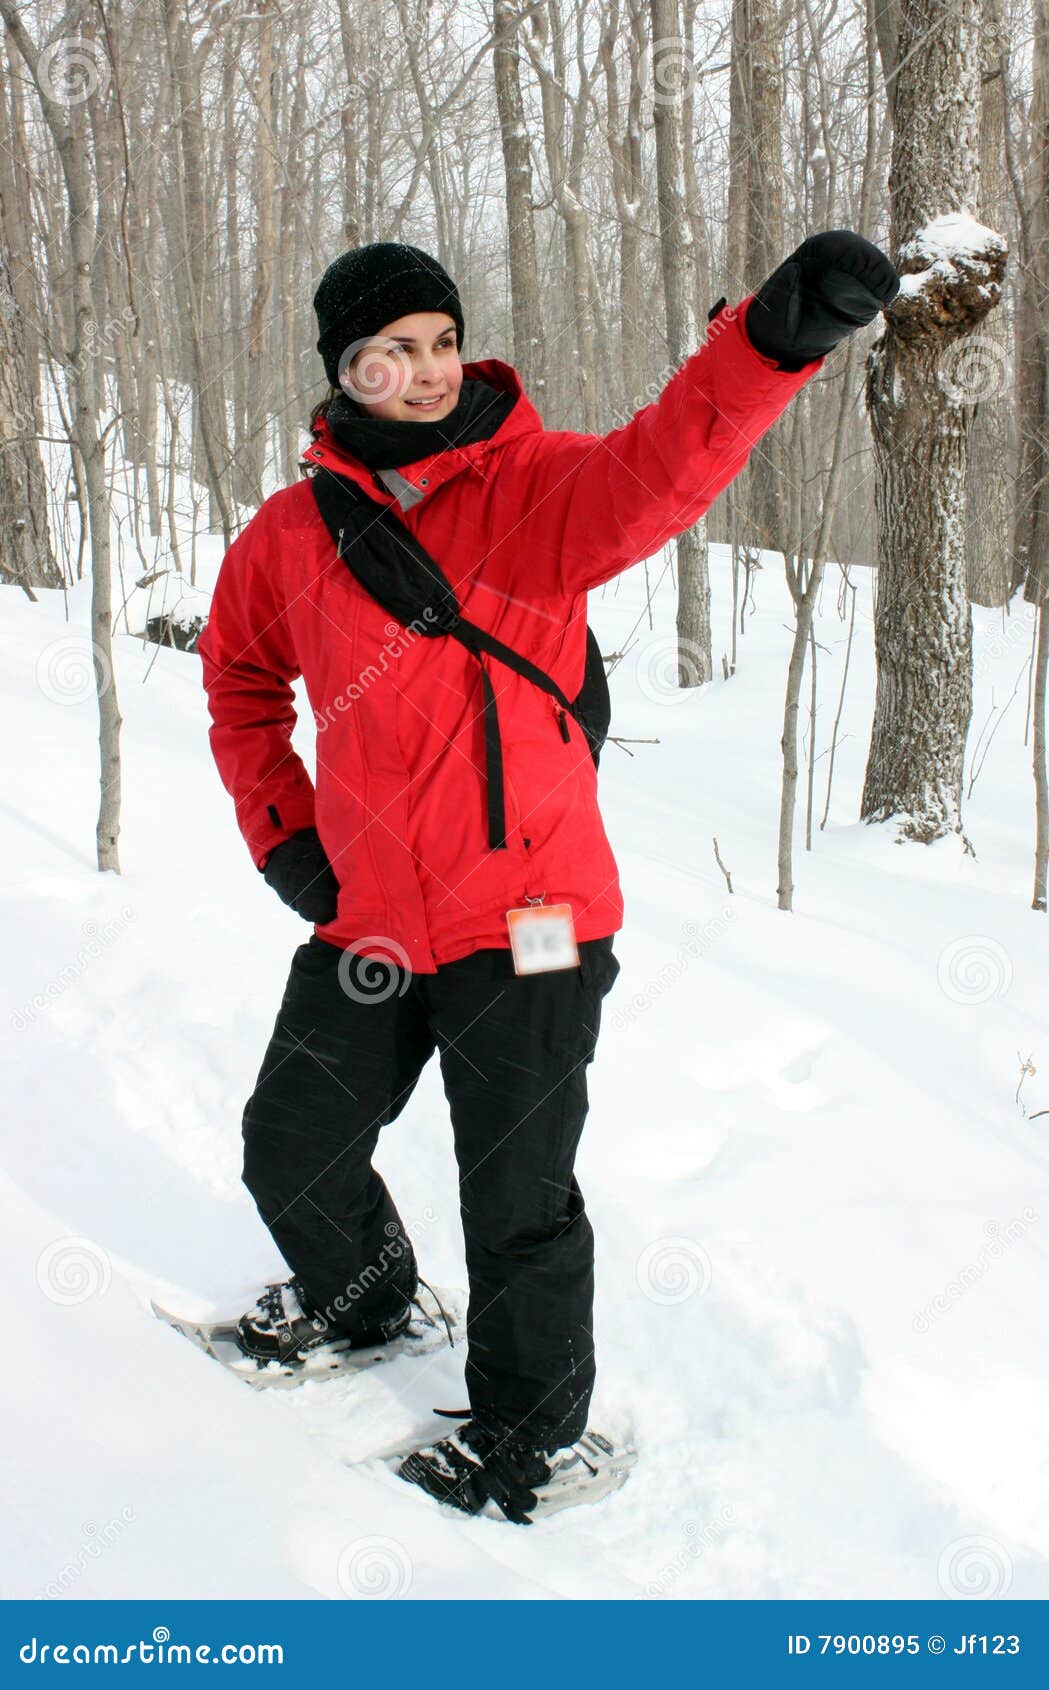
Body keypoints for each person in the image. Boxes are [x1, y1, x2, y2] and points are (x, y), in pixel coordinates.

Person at [197, 234, 898, 1524]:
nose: (422, 369)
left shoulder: (537, 490)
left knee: (514, 1200)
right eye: (390, 350)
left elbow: (666, 463)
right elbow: (240, 678)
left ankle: (537, 1439)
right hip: (369, 917)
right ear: (342, 371)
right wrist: (287, 837)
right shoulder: (292, 533)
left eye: (439, 341)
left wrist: (767, 347)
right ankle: (365, 1306)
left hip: (532, 923)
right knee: (290, 1148)